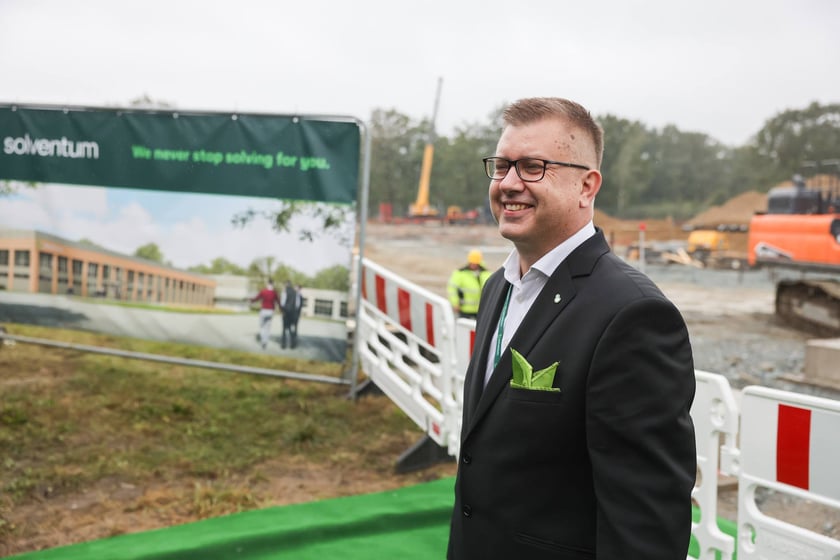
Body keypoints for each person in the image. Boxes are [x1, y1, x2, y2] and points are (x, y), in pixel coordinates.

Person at [448, 97, 696, 560]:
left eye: (533, 167)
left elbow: (645, 523)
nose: (508, 184)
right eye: (501, 166)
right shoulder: (496, 289)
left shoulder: (632, 316)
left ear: (587, 186)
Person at [447, 249, 491, 319]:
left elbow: (490, 291)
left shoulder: (486, 274)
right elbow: (452, 289)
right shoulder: (460, 273)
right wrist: (455, 303)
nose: (473, 265)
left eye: (475, 263)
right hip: (464, 310)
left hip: (481, 309)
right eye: (472, 262)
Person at [250, 279, 280, 349]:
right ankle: (265, 341)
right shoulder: (274, 293)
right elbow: (278, 302)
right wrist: (282, 309)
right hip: (271, 311)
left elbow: (256, 298)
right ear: (273, 284)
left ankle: (263, 341)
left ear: (268, 284)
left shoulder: (263, 291)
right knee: (268, 327)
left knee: (262, 326)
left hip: (264, 310)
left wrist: (251, 300)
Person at [280, 280, 303, 348]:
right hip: (293, 313)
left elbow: (282, 303)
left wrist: (282, 309)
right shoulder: (295, 292)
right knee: (291, 328)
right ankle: (293, 343)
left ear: (286, 285)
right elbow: (297, 305)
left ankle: (284, 344)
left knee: (284, 328)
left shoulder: (285, 292)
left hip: (286, 312)